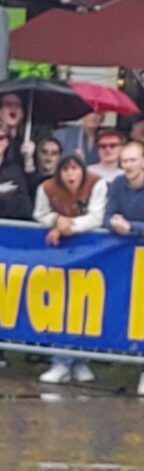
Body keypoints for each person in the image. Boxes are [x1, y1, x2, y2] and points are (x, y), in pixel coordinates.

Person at [33, 154, 108, 384]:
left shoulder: (97, 183)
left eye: (74, 169)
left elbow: (97, 217)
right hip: (59, 254)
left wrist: (69, 227)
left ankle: (81, 360)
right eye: (65, 170)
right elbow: (39, 214)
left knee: (86, 307)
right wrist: (57, 220)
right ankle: (61, 361)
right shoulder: (46, 187)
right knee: (59, 306)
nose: (70, 174)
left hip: (90, 252)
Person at [105, 141, 144, 396]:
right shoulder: (118, 183)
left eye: (133, 160)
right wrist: (114, 223)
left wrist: (131, 228)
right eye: (125, 161)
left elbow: (130, 224)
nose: (128, 165)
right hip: (126, 259)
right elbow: (107, 215)